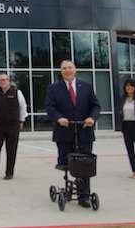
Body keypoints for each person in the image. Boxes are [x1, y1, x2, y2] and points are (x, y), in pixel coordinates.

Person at [45, 59, 100, 208]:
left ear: (75, 69)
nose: (67, 70)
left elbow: (95, 105)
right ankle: (69, 188)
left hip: (84, 132)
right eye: (64, 68)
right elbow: (50, 107)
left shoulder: (87, 87)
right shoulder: (54, 88)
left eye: (70, 68)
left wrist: (92, 117)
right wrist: (59, 118)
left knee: (85, 165)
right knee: (66, 163)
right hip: (65, 133)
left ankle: (84, 195)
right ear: (61, 71)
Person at [0, 73, 28, 180]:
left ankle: (9, 172)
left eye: (4, 80)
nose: (2, 82)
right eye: (0, 80)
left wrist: (22, 120)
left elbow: (23, 107)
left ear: (8, 81)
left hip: (12, 126)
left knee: (11, 149)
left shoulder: (17, 93)